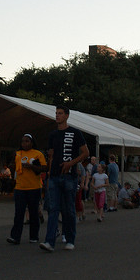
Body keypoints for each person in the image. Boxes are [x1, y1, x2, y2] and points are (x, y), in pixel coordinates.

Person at [40, 105, 89, 253]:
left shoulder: (75, 133)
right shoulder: (53, 134)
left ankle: (70, 239)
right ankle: (49, 241)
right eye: (56, 113)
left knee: (69, 210)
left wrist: (71, 163)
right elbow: (51, 155)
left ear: (67, 115)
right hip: (54, 177)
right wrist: (48, 175)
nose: (57, 116)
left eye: (60, 113)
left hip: (69, 177)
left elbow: (85, 153)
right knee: (53, 209)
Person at [7, 134, 47, 245]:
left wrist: (32, 167)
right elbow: (12, 164)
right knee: (19, 213)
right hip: (20, 187)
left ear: (32, 142)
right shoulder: (18, 154)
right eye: (23, 141)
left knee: (33, 213)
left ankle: (34, 236)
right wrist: (12, 166)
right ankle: (15, 237)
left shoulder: (38, 154)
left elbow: (44, 168)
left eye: (27, 141)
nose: (24, 143)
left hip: (34, 187)